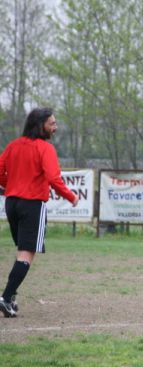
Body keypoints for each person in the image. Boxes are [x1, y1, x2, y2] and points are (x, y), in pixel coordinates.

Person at [0, 107, 78, 318]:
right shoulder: (45, 148)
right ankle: (6, 298)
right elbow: (54, 178)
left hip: (12, 203)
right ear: (39, 125)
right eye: (52, 123)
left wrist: (11, 185)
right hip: (32, 204)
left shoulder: (13, 145)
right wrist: (71, 196)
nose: (55, 127)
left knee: (21, 251)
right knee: (26, 253)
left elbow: (0, 172)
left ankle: (10, 298)